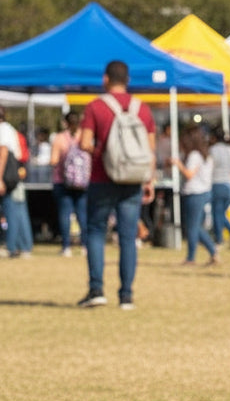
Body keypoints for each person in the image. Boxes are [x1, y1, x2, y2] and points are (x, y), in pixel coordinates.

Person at [78, 60, 157, 309]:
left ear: (105, 79)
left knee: (96, 231)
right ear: (128, 79)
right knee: (127, 236)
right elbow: (150, 149)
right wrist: (149, 179)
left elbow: (84, 143)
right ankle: (126, 296)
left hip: (103, 178)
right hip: (134, 179)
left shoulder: (95, 107)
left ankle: (97, 290)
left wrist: (103, 153)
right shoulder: (141, 108)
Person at [171, 124, 219, 266]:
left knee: (193, 227)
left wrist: (178, 164)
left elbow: (189, 174)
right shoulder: (206, 155)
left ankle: (193, 257)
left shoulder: (194, 156)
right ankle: (212, 252)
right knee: (196, 226)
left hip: (194, 193)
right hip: (204, 192)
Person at [50, 110, 89, 256]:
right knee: (82, 214)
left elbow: (53, 160)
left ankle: (66, 246)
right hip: (83, 183)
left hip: (62, 181)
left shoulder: (60, 138)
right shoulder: (84, 136)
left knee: (65, 214)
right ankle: (85, 245)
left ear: (65, 122)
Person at [0, 105, 33, 258]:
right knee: (19, 211)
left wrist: (0, 179)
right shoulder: (11, 129)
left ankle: (12, 247)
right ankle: (25, 246)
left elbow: (3, 154)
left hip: (8, 178)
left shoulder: (3, 130)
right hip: (16, 177)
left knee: (12, 212)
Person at [208, 126, 230, 251]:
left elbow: (210, 166)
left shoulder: (212, 150)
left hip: (217, 183)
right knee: (221, 213)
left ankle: (219, 240)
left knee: (217, 213)